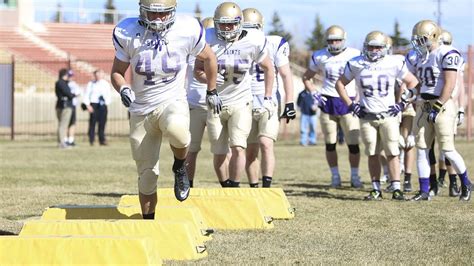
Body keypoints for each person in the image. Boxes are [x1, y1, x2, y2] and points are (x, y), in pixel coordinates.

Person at [110, 0, 218, 219]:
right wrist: (123, 88)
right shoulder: (128, 32)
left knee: (178, 129)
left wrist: (212, 90)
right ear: (142, 11)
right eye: (152, 13)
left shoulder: (187, 29)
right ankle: (149, 223)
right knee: (147, 176)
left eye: (164, 13)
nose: (158, 19)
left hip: (172, 100)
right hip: (141, 110)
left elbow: (209, 58)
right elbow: (116, 72)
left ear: (173, 12)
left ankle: (180, 166)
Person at [194, 2, 275, 188]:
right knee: (219, 151)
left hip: (241, 100)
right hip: (216, 101)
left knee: (239, 147)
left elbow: (269, 68)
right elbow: (197, 70)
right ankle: (226, 187)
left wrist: (268, 97)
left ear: (240, 23)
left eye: (231, 23)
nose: (227, 28)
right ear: (215, 23)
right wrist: (209, 80)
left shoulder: (253, 39)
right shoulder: (208, 38)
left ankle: (235, 186)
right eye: (222, 24)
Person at [335, 30, 419, 200]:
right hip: (367, 116)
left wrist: (403, 104)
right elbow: (340, 84)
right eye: (371, 47)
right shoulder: (356, 63)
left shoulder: (394, 62)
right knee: (372, 153)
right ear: (366, 47)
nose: (374, 51)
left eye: (378, 47)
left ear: (384, 48)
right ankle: (375, 189)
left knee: (392, 152)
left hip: (388, 115)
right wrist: (351, 105)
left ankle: (396, 187)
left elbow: (413, 82)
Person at [408, 20, 471, 201]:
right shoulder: (421, 56)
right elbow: (425, 82)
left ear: (433, 36)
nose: (418, 43)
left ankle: (465, 183)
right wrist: (412, 92)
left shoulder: (447, 53)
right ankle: (425, 190)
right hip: (423, 105)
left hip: (442, 106)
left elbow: (450, 84)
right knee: (421, 149)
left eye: (422, 39)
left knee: (447, 150)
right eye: (417, 40)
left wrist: (437, 106)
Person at [302, 25, 362, 188]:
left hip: (349, 101)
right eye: (331, 40)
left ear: (344, 40)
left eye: (337, 40)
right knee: (330, 142)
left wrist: (359, 96)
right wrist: (314, 93)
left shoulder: (355, 54)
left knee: (353, 144)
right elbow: (307, 77)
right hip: (327, 101)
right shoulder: (320, 55)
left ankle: (355, 176)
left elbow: (362, 78)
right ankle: (335, 176)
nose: (334, 43)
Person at [242, 8, 296, 188]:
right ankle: (254, 188)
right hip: (245, 100)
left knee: (266, 143)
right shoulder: (236, 44)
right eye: (246, 28)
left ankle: (267, 187)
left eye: (253, 28)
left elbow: (286, 74)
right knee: (250, 150)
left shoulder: (274, 43)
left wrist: (289, 102)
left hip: (270, 99)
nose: (250, 32)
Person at [185, 17, 222, 187]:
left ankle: (227, 185)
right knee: (191, 149)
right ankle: (187, 184)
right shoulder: (195, 50)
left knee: (221, 149)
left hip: (212, 103)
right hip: (197, 102)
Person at [83, 70, 112, 146]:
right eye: (97, 74)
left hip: (102, 104)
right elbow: (86, 95)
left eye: (100, 74)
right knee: (92, 123)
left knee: (102, 123)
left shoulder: (105, 84)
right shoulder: (91, 84)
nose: (98, 76)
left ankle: (102, 140)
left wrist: (106, 103)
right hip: (94, 104)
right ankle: (91, 140)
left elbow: (108, 94)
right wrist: (88, 105)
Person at [55, 68, 75, 149]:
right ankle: (62, 142)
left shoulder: (59, 83)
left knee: (61, 125)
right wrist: (73, 95)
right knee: (63, 125)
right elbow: (68, 94)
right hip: (65, 106)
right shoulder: (62, 83)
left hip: (60, 105)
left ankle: (60, 141)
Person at [66, 69, 81, 146]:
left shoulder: (73, 84)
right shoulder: (65, 84)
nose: (70, 77)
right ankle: (66, 139)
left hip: (72, 105)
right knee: (67, 123)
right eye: (69, 76)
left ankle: (70, 139)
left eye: (71, 76)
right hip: (67, 105)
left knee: (72, 123)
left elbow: (78, 93)